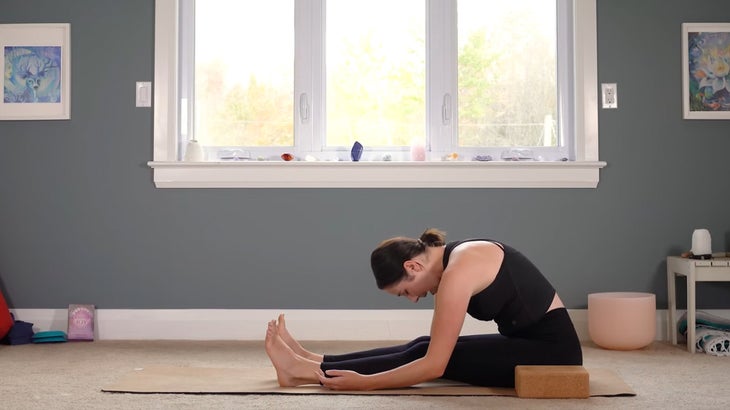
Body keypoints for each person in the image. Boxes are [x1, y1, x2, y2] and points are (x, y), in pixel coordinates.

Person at [264, 228, 582, 390]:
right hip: (529, 343)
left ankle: (304, 373)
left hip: (553, 355)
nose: (413, 298)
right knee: (421, 345)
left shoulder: (457, 273)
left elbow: (434, 367)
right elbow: (430, 353)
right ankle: (314, 361)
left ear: (413, 266)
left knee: (425, 354)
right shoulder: (456, 257)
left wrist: (365, 382)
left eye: (404, 292)